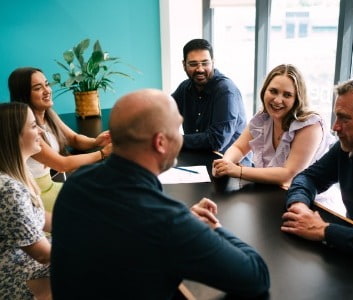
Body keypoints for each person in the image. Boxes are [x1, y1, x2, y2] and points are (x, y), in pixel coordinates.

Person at [51, 89, 270, 299]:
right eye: (178, 129)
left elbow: (123, 228)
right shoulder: (167, 223)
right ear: (161, 142)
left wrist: (184, 221)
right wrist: (213, 228)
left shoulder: (76, 184)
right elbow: (257, 277)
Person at [281, 75, 353, 263]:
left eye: (344, 119)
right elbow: (308, 178)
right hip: (352, 260)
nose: (335, 127)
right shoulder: (348, 147)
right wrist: (299, 206)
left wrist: (325, 230)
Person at [213, 64, 334, 189]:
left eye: (287, 95)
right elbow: (239, 148)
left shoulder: (310, 126)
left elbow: (288, 176)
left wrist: (238, 171)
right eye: (273, 91)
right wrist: (225, 163)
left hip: (310, 201)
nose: (277, 100)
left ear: (297, 98)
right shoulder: (263, 118)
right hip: (270, 192)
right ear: (264, 90)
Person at [8, 67, 112, 212]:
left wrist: (96, 142)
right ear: (24, 95)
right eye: (38, 88)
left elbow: (74, 139)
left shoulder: (48, 116)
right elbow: (61, 165)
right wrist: (103, 153)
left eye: (47, 84)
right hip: (39, 192)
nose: (47, 91)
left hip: (52, 183)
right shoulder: (27, 130)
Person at [0, 102, 52, 299]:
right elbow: (42, 254)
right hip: (13, 276)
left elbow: (38, 216)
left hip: (25, 262)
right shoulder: (9, 190)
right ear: (13, 136)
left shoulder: (16, 173)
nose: (40, 130)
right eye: (32, 126)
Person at [172, 38, 248, 156]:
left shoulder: (225, 90)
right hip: (200, 159)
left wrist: (173, 140)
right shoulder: (185, 87)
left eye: (205, 63)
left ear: (213, 62)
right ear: (184, 65)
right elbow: (164, 113)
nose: (200, 69)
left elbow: (216, 140)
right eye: (193, 64)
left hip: (231, 165)